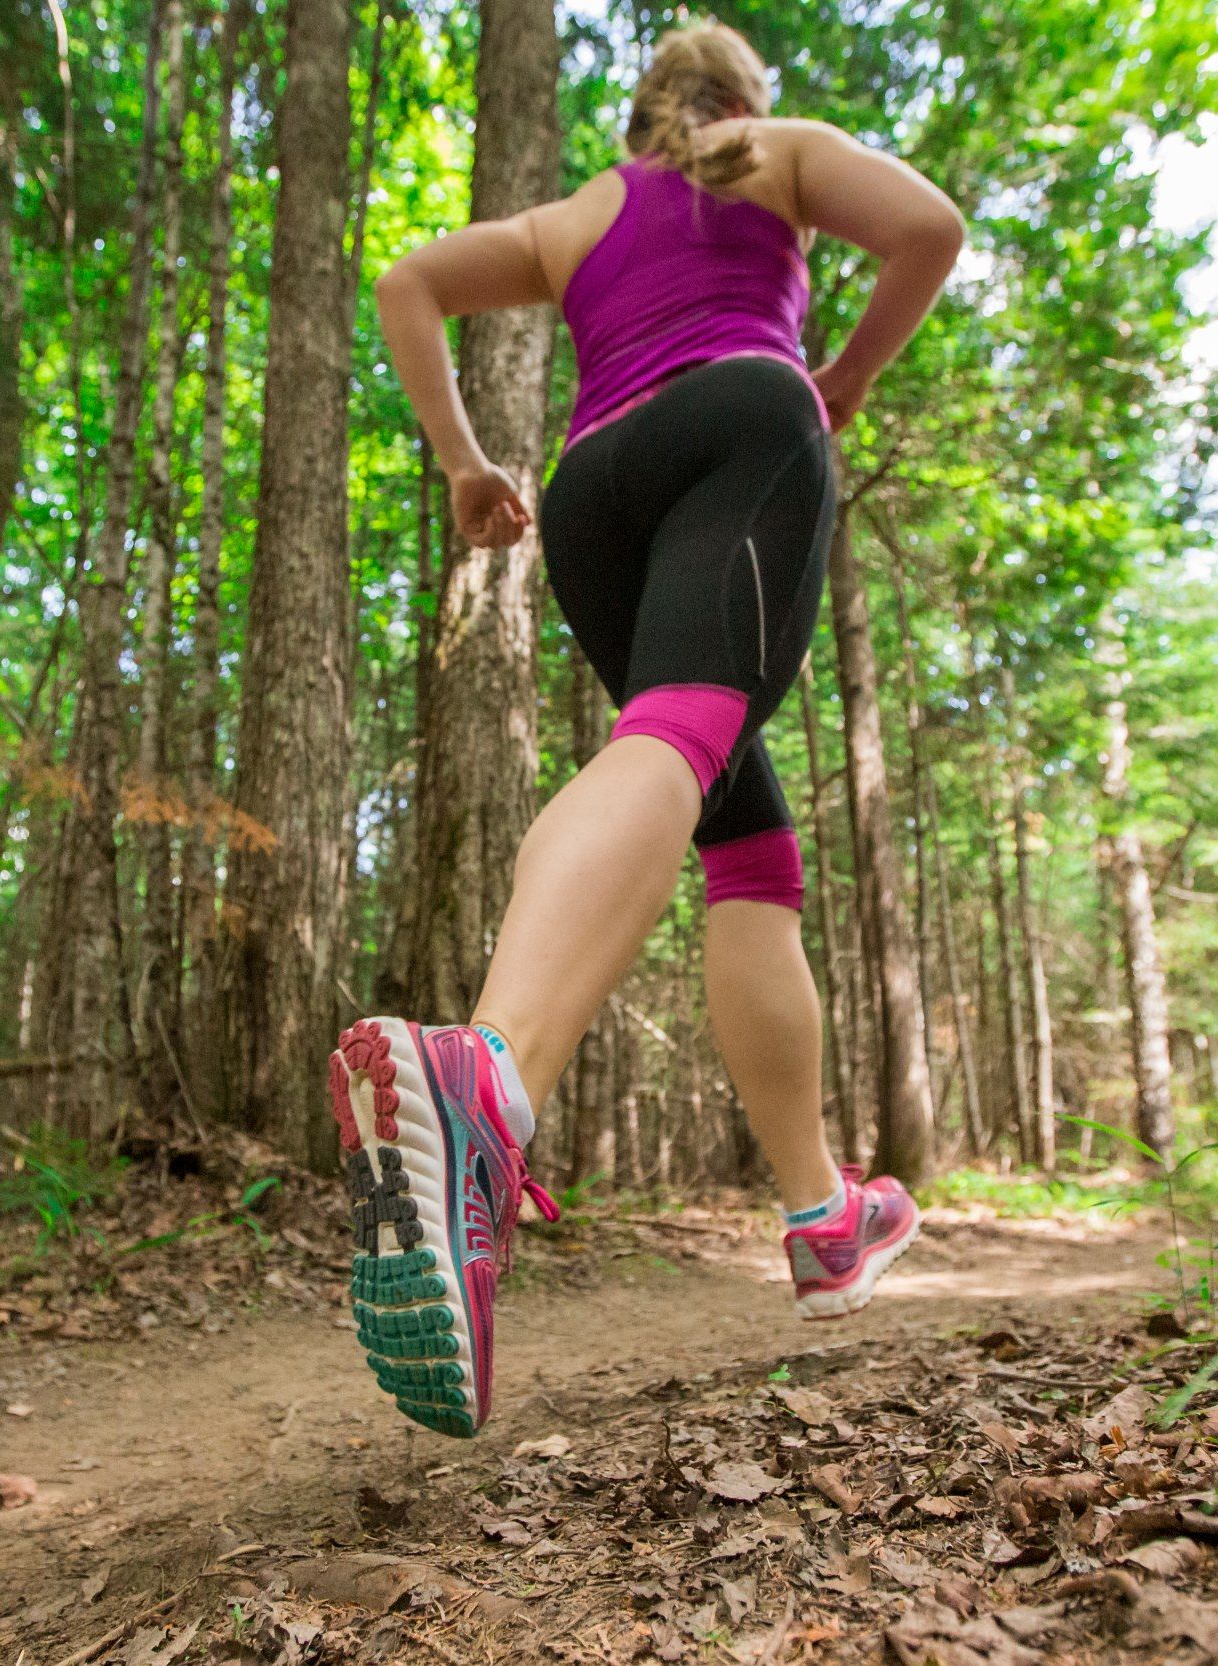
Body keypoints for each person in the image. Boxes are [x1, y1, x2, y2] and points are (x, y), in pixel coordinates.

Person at [335, 20, 965, 1438]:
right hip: (742, 425)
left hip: (591, 494)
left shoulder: (577, 214)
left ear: (635, 116)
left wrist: (462, 465)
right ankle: (486, 1078)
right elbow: (928, 230)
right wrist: (843, 379)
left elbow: (409, 281)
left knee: (744, 830)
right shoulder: (778, 155)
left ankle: (820, 1215)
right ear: (738, 100)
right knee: (674, 744)